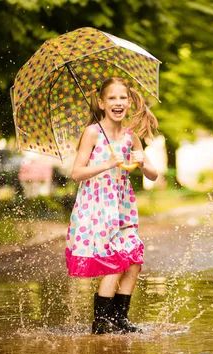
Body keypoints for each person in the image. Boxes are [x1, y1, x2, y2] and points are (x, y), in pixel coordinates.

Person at [65, 77, 159, 334]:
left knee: (134, 260)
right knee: (115, 262)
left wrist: (142, 163)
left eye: (122, 98)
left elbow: (153, 175)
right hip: (96, 207)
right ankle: (101, 322)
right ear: (102, 103)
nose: (118, 103)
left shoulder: (131, 137)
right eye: (112, 98)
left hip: (122, 206)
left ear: (129, 102)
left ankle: (119, 318)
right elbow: (77, 172)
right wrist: (107, 163)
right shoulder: (93, 132)